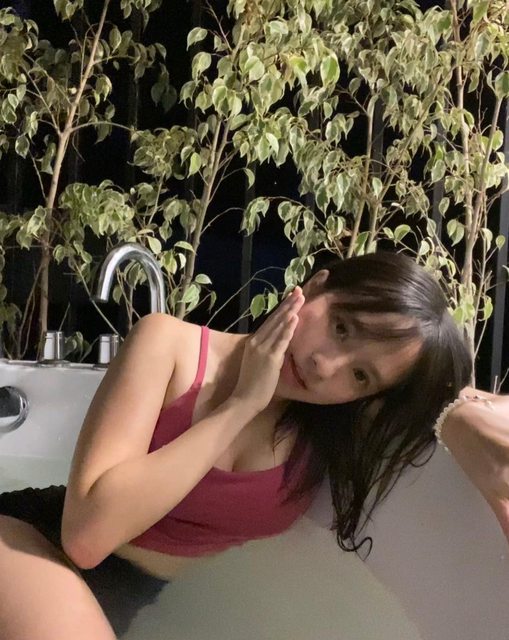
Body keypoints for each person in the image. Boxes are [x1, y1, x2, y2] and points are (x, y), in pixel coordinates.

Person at [0, 250, 507, 639]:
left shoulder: (329, 432)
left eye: (360, 375)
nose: (324, 365)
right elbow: (86, 538)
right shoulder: (169, 345)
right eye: (341, 327)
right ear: (316, 286)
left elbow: (466, 411)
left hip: (135, 600)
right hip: (34, 543)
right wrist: (241, 405)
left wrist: (459, 414)